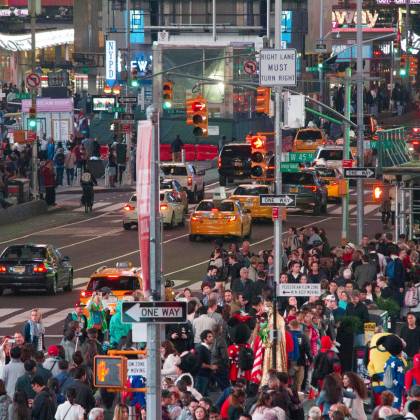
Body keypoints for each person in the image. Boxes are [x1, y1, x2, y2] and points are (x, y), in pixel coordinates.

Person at [195, 330, 217, 397]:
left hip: (206, 376)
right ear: (204, 339)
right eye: (209, 337)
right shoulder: (200, 348)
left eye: (212, 336)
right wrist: (210, 367)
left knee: (204, 397)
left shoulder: (206, 348)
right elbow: (199, 363)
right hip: (201, 376)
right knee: (199, 396)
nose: (212, 338)